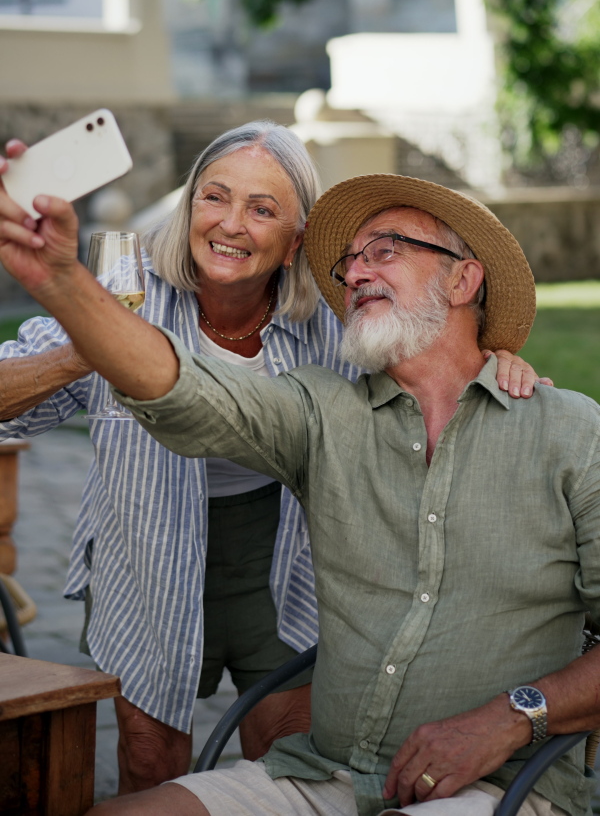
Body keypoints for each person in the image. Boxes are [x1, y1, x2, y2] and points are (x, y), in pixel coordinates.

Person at [0, 156, 566, 815]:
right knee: (147, 759)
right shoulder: (124, 295)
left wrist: (490, 364)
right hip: (144, 548)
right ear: (188, 210)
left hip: (280, 550)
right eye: (215, 197)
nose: (231, 223)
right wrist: (88, 335)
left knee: (282, 740)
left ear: (295, 239)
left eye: (263, 208)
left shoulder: (338, 319)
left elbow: (426, 360)